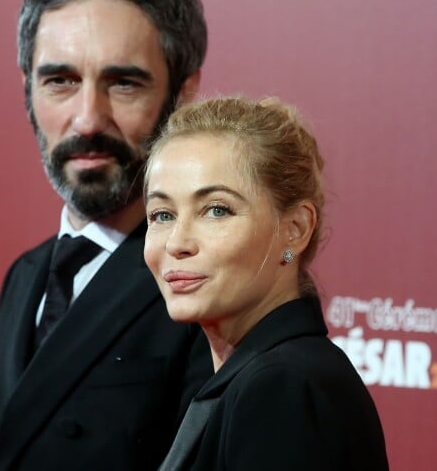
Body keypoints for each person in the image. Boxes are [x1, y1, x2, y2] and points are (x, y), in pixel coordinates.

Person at [0, 0, 214, 471]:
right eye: (60, 81)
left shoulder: (210, 291)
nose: (87, 119)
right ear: (27, 93)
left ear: (184, 93)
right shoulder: (25, 277)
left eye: (123, 83)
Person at [144, 96, 389, 470]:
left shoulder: (282, 388)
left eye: (216, 210)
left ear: (295, 230)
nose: (177, 243)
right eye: (162, 214)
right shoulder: (256, 376)